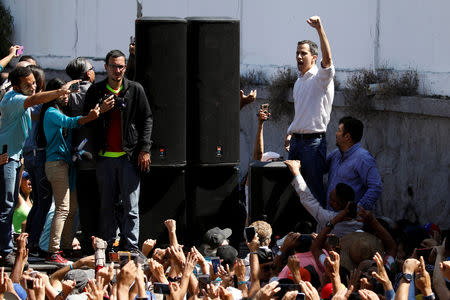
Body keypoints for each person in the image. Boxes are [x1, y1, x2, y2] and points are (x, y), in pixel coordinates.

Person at [0, 66, 78, 266]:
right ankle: (6, 251)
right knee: (7, 205)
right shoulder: (13, 99)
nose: (33, 87)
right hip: (7, 157)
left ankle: (20, 247)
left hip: (17, 157)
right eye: (28, 85)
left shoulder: (22, 100)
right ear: (17, 87)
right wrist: (60, 92)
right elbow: (35, 100)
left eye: (34, 83)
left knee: (18, 205)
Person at [84, 49, 152, 251]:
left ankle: (131, 246)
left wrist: (145, 148)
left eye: (121, 66)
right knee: (107, 206)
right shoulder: (95, 91)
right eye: (113, 66)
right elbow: (85, 121)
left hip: (128, 157)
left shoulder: (135, 89)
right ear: (106, 67)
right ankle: (107, 246)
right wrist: (100, 110)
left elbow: (147, 119)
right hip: (104, 158)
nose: (117, 70)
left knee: (131, 207)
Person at [41, 78, 100, 265]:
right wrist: (89, 117)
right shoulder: (51, 112)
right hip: (56, 164)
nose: (67, 97)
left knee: (72, 208)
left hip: (67, 164)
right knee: (63, 208)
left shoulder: (57, 111)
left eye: (67, 93)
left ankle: (65, 248)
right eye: (63, 93)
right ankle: (52, 251)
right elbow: (70, 122)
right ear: (54, 94)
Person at [284, 16, 334, 208]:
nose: (298, 57)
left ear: (314, 58)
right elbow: (302, 113)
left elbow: (328, 60)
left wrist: (320, 28)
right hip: (297, 143)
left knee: (313, 190)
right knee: (294, 191)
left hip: (313, 145)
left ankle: (320, 232)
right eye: (297, 53)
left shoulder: (320, 78)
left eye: (303, 53)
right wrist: (291, 132)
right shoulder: (299, 81)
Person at [64, 57, 99, 254]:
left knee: (83, 204)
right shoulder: (95, 91)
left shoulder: (68, 94)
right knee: (99, 202)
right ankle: (98, 243)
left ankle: (86, 243)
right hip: (96, 155)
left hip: (76, 156)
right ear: (87, 73)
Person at [284, 159, 362, 237]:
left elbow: (307, 198)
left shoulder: (327, 218)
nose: (329, 200)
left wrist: (296, 172)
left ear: (335, 204)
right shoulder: (360, 222)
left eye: (331, 199)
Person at [21, 65, 53, 256]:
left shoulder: (25, 101)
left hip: (28, 153)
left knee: (38, 202)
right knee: (44, 201)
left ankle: (27, 241)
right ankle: (33, 242)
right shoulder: (38, 103)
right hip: (38, 153)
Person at [326, 116, 382, 211]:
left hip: (348, 221)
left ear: (347, 136)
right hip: (330, 216)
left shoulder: (363, 158)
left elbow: (375, 187)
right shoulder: (336, 154)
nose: (336, 134)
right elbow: (319, 168)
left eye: (339, 131)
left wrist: (357, 210)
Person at [13, 170, 33, 234]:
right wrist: (22, 167)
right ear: (20, 182)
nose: (30, 180)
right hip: (18, 239)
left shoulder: (34, 202)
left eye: (31, 178)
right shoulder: (18, 200)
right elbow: (16, 189)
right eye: (27, 178)